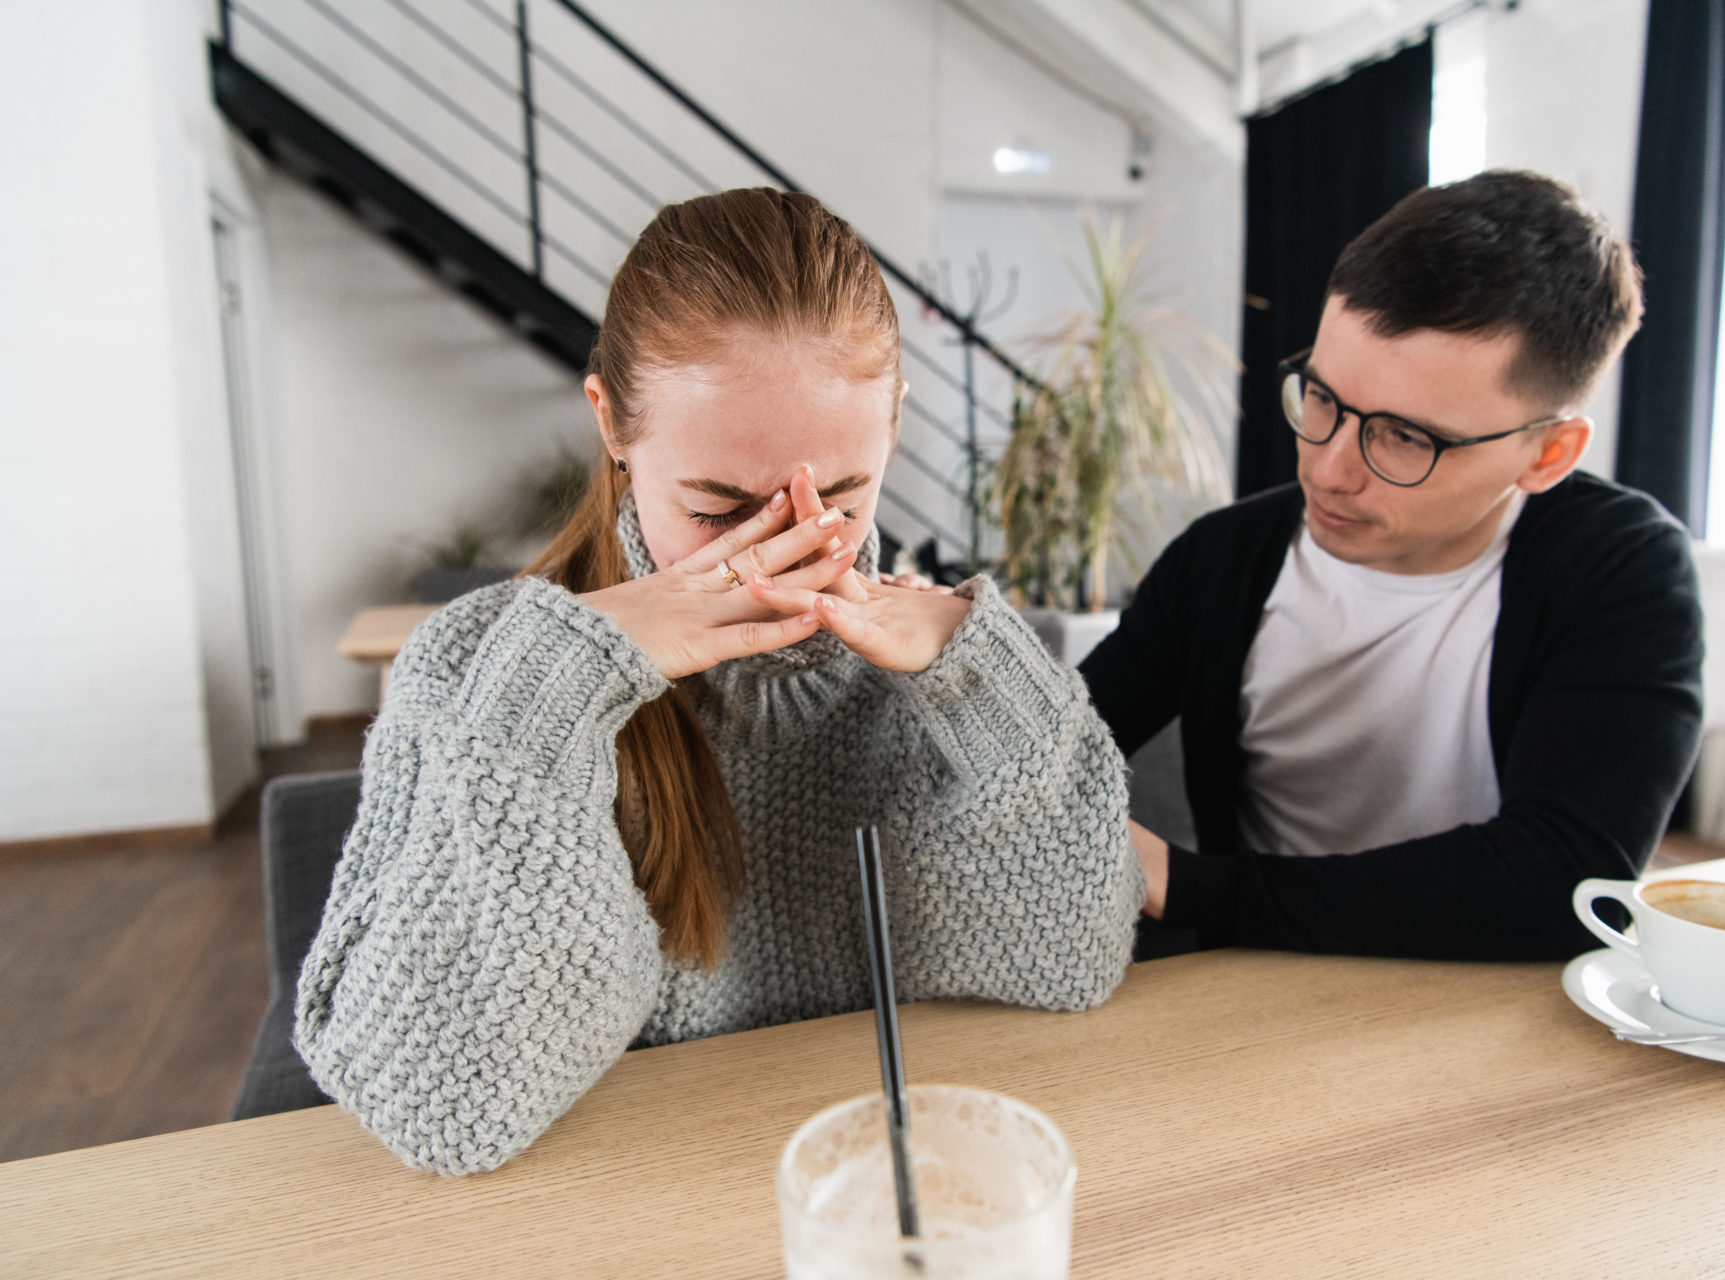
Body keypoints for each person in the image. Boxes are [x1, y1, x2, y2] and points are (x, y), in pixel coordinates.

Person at [295, 188, 1143, 1177]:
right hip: (628, 1202)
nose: (777, 552)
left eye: (838, 495)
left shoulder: (946, 666)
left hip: (880, 1179)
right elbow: (445, 1106)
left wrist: (988, 681)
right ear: (612, 424)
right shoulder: (478, 671)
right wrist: (554, 696)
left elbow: (1068, 962)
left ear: (896, 422)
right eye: (718, 508)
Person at [1083, 170, 1704, 962]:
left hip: (1510, 1010)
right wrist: (962, 656)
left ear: (1548, 453)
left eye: (1407, 438)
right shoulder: (1222, 560)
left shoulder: (1618, 568)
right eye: (1321, 398)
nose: (1330, 469)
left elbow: (1571, 883)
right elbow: (1067, 736)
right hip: (1262, 993)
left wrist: (1192, 884)